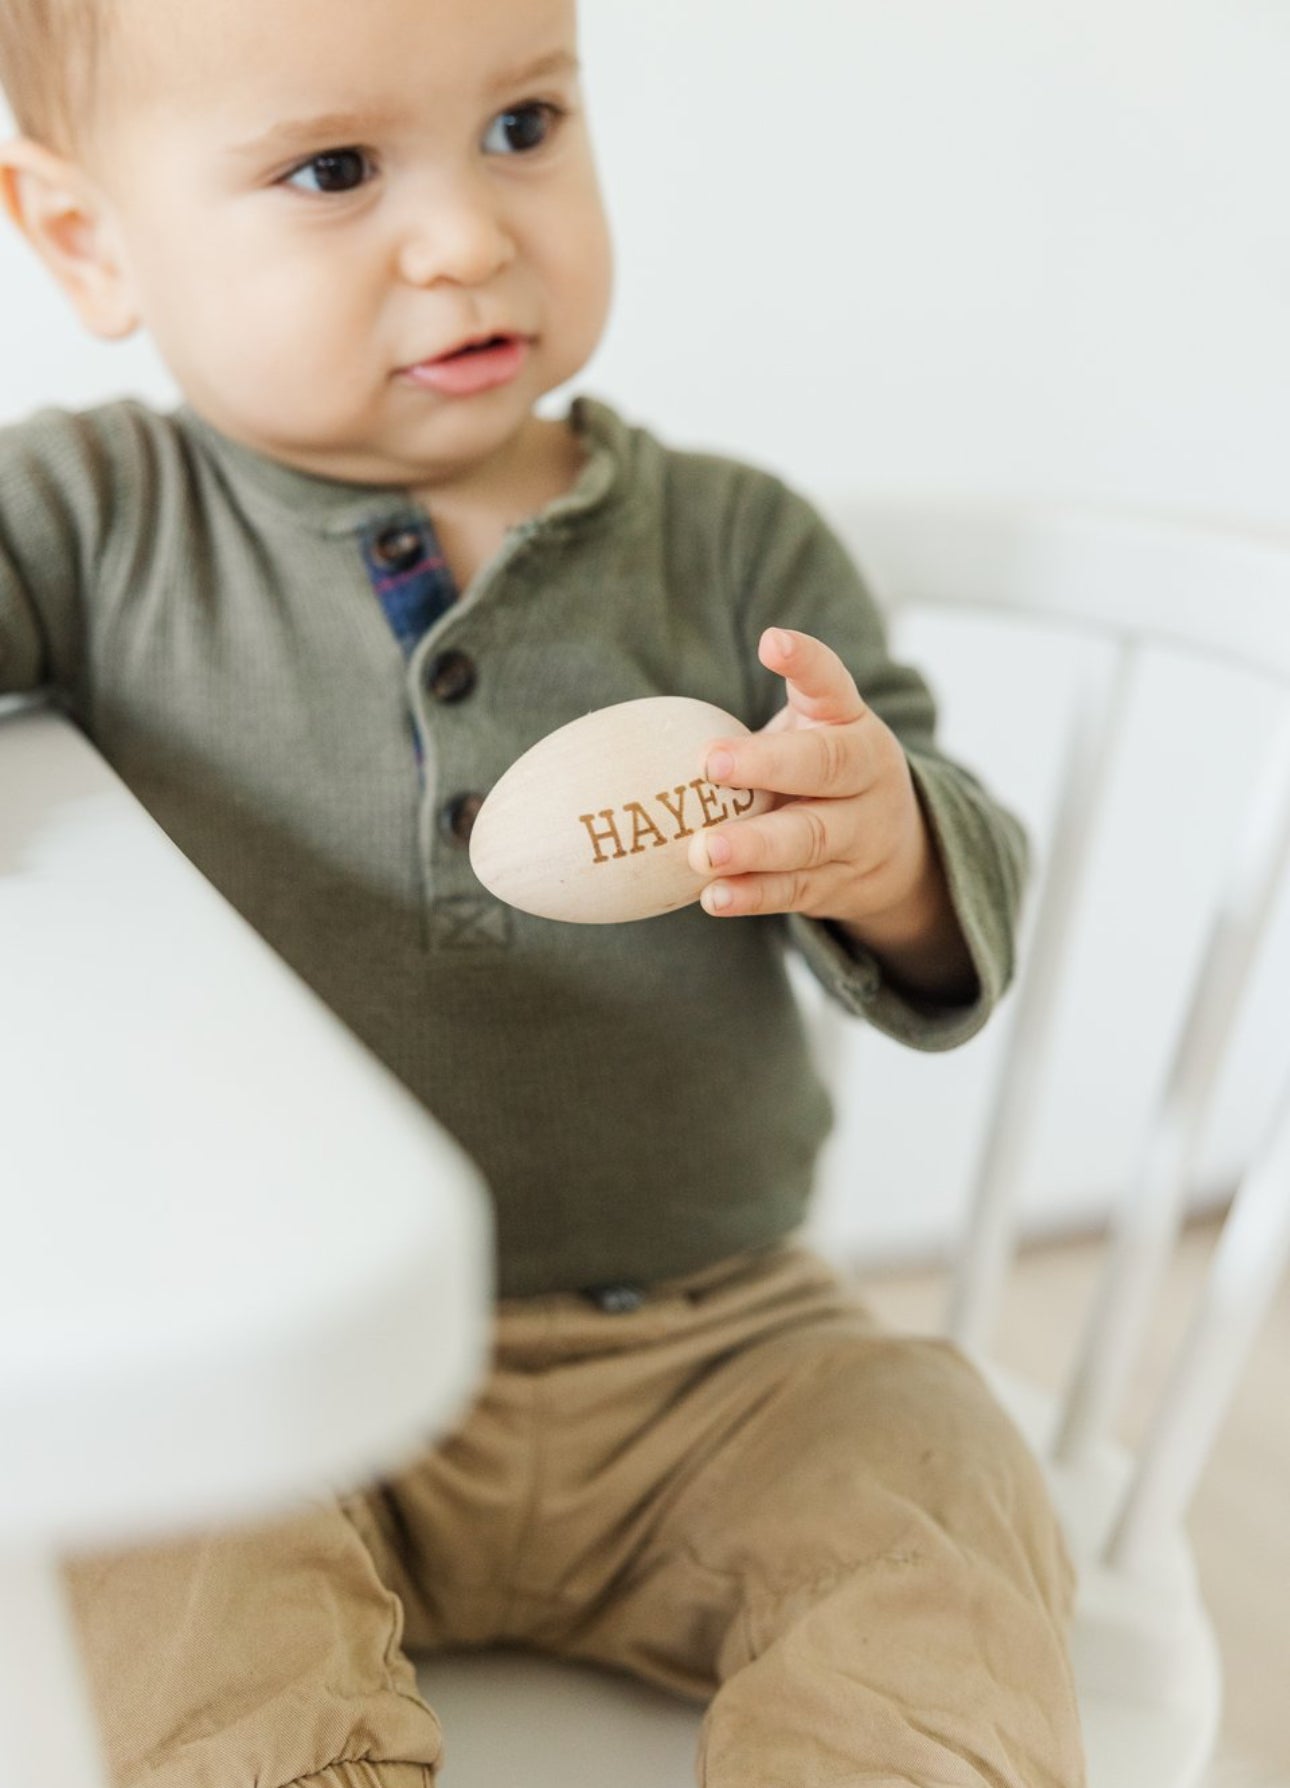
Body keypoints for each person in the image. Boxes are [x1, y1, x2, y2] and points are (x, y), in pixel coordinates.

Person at [0, 0, 1085, 1783]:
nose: (467, 235)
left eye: (523, 125)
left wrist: (881, 844)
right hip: (294, 1369)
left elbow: (950, 891)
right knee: (138, 1542)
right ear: (87, 236)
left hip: (712, 1348)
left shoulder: (736, 543)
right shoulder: (98, 520)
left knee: (935, 1468)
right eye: (335, 169)